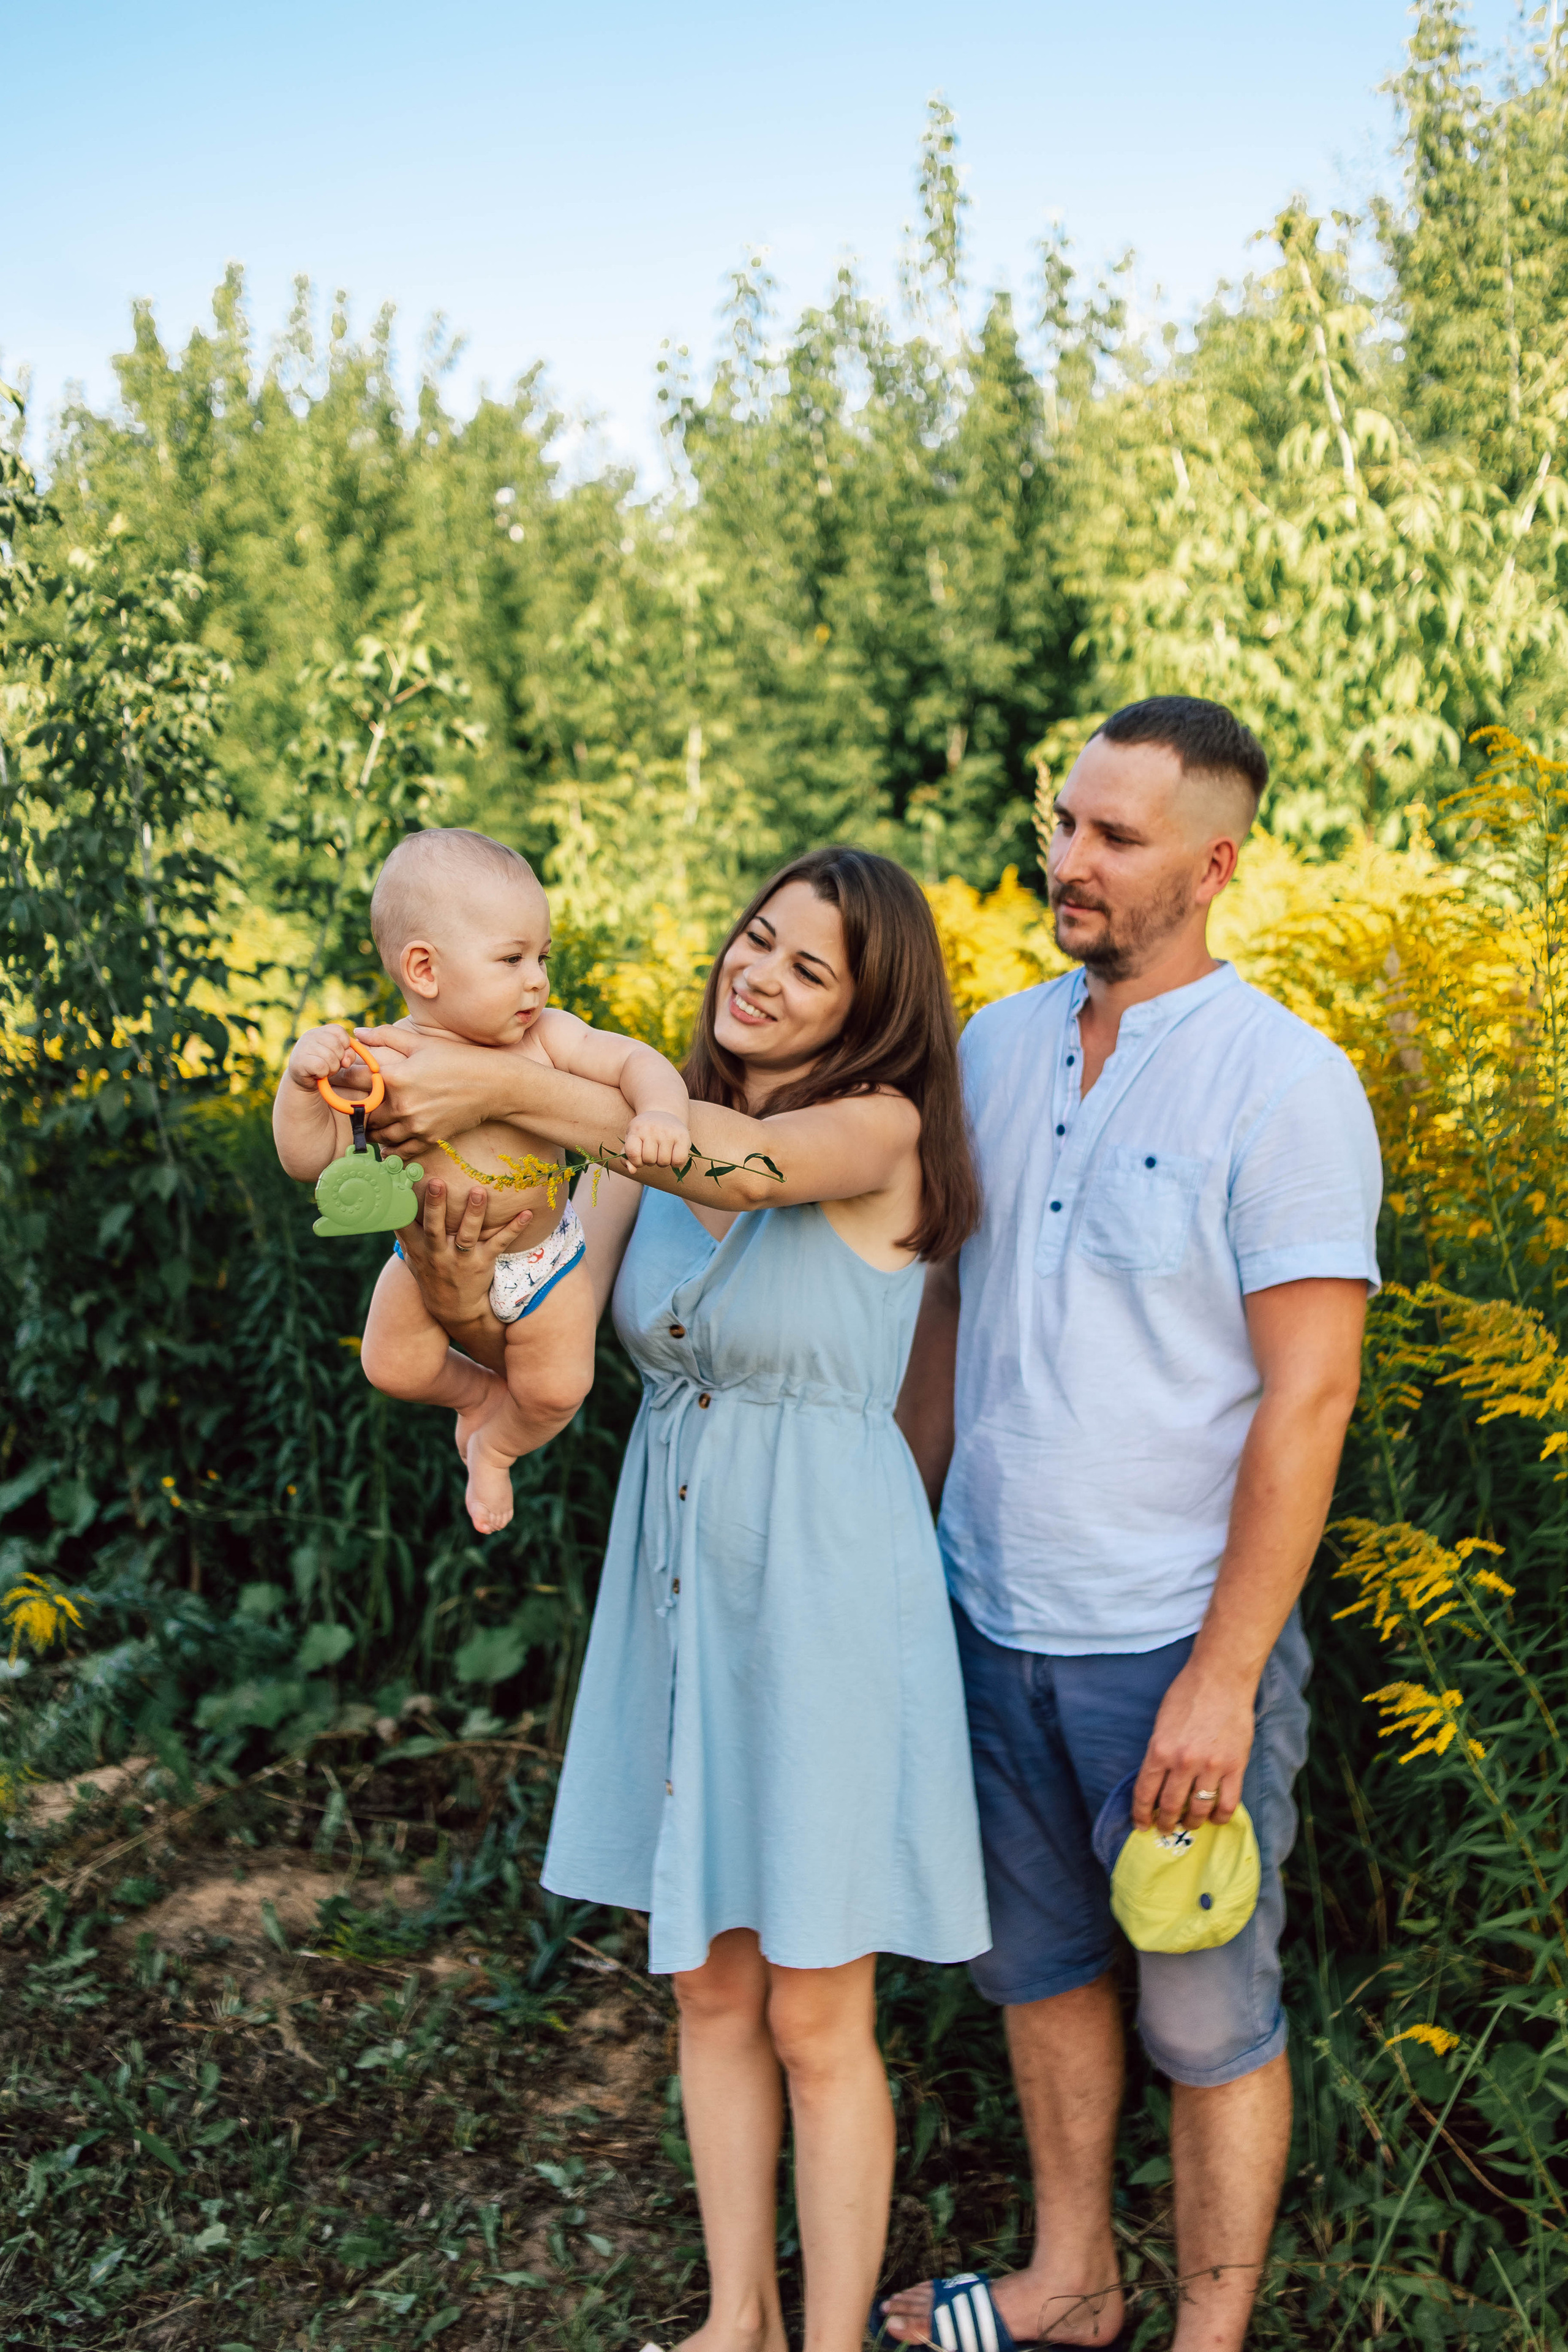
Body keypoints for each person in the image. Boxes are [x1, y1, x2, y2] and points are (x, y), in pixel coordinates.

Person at [358, 846, 991, 2352]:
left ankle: (825, 2339)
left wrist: (487, 1077)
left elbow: (721, 1165)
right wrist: (446, 1276)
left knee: (813, 2011)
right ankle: (736, 2322)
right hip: (679, 1573)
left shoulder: (876, 1129)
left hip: (825, 1587)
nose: (755, 973)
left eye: (808, 966)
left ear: (871, 1008)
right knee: (707, 1989)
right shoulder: (629, 1143)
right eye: (755, 938)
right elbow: (543, 1340)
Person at [881, 698, 1381, 2352]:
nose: (1068, 861)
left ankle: (1207, 2338)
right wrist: (904, 1561)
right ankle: (1073, 2283)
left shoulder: (1288, 1085)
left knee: (1206, 2005)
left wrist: (1225, 1680)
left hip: (1174, 1639)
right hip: (988, 1613)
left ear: (1216, 862)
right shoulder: (1002, 1049)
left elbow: (1306, 1401)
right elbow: (946, 1313)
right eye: (1065, 824)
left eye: (1116, 837)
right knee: (1037, 1972)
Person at [271, 828, 692, 1536]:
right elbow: (307, 1159)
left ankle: (495, 1448)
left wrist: (662, 1112)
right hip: (423, 1255)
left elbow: (636, 1061)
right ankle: (475, 1398)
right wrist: (299, 1083)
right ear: (425, 971)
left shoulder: (549, 1036)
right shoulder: (384, 1062)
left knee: (560, 1389)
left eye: (542, 957)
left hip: (541, 1261)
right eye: (511, 958)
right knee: (391, 1367)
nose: (536, 979)